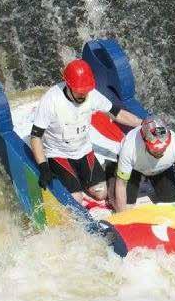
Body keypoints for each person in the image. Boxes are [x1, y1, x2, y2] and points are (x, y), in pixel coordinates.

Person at [30, 59, 142, 203]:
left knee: (101, 194)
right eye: (80, 92)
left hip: (84, 150)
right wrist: (43, 167)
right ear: (69, 85)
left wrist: (141, 123)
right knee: (76, 199)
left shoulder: (91, 94)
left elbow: (117, 113)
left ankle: (100, 173)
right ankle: (73, 183)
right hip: (58, 154)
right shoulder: (51, 100)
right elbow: (36, 137)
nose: (84, 95)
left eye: (86, 91)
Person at [111, 116, 175, 212]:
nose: (160, 153)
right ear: (145, 141)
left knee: (174, 206)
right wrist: (123, 216)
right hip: (135, 169)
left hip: (161, 170)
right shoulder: (129, 148)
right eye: (156, 150)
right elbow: (121, 183)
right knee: (125, 208)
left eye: (163, 149)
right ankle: (110, 176)